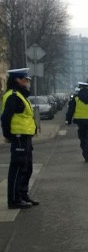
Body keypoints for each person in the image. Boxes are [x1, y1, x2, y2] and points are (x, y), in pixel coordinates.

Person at [1, 68, 39, 209]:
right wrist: (8, 135)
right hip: (18, 136)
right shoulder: (13, 96)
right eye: (25, 80)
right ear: (18, 80)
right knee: (17, 168)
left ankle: (23, 194)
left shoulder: (20, 95)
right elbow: (6, 117)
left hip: (25, 136)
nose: (27, 82)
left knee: (27, 167)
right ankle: (14, 199)